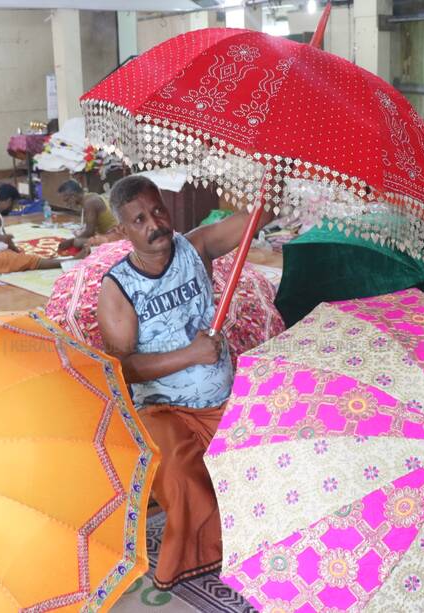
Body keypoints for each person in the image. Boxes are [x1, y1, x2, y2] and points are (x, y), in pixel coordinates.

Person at [96, 175, 272, 590]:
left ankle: (262, 540)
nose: (154, 223)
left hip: (221, 400)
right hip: (162, 409)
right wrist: (190, 355)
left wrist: (272, 184)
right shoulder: (118, 288)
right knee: (180, 475)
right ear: (123, 231)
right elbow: (121, 367)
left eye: (158, 210)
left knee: (266, 451)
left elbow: (255, 219)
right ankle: (211, 554)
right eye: (139, 220)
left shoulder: (196, 247)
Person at [0, 184, 87, 274]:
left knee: (20, 256)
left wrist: (15, 250)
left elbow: (6, 240)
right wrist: (3, 238)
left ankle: (20, 257)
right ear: (9, 201)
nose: (14, 208)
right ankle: (70, 262)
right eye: (15, 205)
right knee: (30, 261)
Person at [56, 179, 118, 251]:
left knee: (77, 242)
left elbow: (90, 232)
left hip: (114, 236)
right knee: (79, 233)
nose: (66, 204)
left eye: (66, 200)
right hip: (109, 232)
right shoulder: (90, 196)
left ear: (73, 196)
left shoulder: (89, 203)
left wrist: (71, 241)